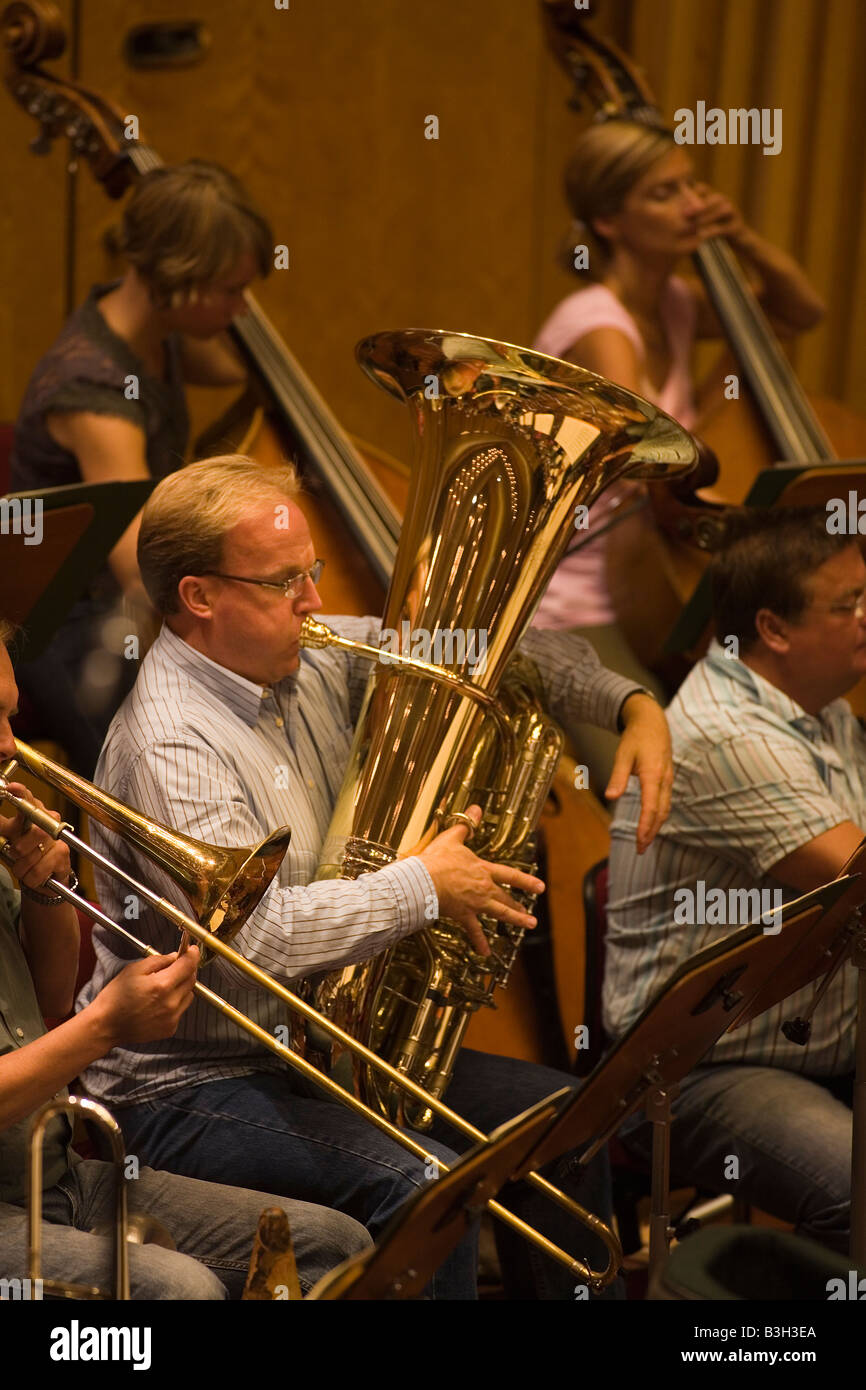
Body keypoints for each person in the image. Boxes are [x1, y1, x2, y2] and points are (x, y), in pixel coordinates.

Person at [76, 453, 674, 1300]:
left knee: (562, 1120)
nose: (316, 602)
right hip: (188, 1086)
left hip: (308, 1044)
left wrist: (627, 703)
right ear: (199, 598)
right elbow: (264, 939)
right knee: (427, 1184)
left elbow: (484, 653)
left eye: (312, 572)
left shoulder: (304, 653)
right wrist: (426, 885)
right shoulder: (171, 741)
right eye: (287, 582)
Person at [0, 619, 372, 1299]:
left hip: (51, 1176)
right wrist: (106, 1026)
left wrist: (45, 895)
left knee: (335, 1246)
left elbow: (52, 1001)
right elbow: (76, 1025)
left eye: (8, 714)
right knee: (182, 1290)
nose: (8, 745)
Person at [532, 117, 826, 789]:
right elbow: (653, 451)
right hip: (573, 609)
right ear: (609, 220)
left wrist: (740, 237)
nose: (692, 202)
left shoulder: (674, 304)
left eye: (692, 184)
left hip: (652, 581)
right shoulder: (596, 321)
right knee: (649, 790)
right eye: (664, 193)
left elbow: (800, 310)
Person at [602, 508, 865, 1253]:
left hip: (819, 1044)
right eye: (847, 606)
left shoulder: (826, 712)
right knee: (859, 1192)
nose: (865, 618)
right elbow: (858, 880)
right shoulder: (727, 736)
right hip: (695, 1073)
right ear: (774, 630)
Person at [10, 160, 270, 774]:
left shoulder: (156, 330)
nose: (243, 309)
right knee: (177, 760)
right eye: (231, 290)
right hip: (71, 630)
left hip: (115, 615)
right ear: (181, 280)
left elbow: (244, 366)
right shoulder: (95, 394)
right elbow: (139, 568)